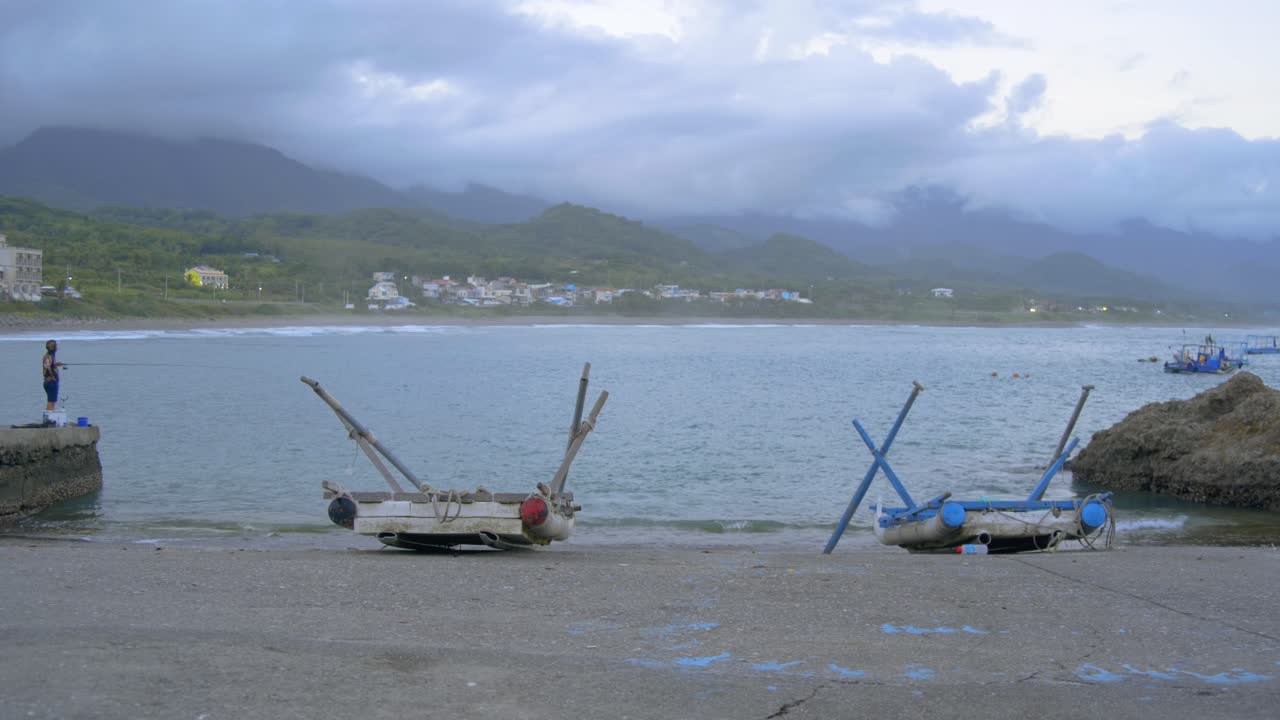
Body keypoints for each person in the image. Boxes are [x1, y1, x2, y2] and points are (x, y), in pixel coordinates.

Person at [42, 339, 64, 412]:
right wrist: (52, 377)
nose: (58, 347)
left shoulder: (50, 355)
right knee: (51, 402)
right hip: (51, 382)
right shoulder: (49, 356)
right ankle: (48, 420)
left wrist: (56, 364)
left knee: (52, 402)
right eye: (56, 345)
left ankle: (50, 419)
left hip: (50, 382)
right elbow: (47, 367)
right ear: (53, 347)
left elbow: (49, 365)